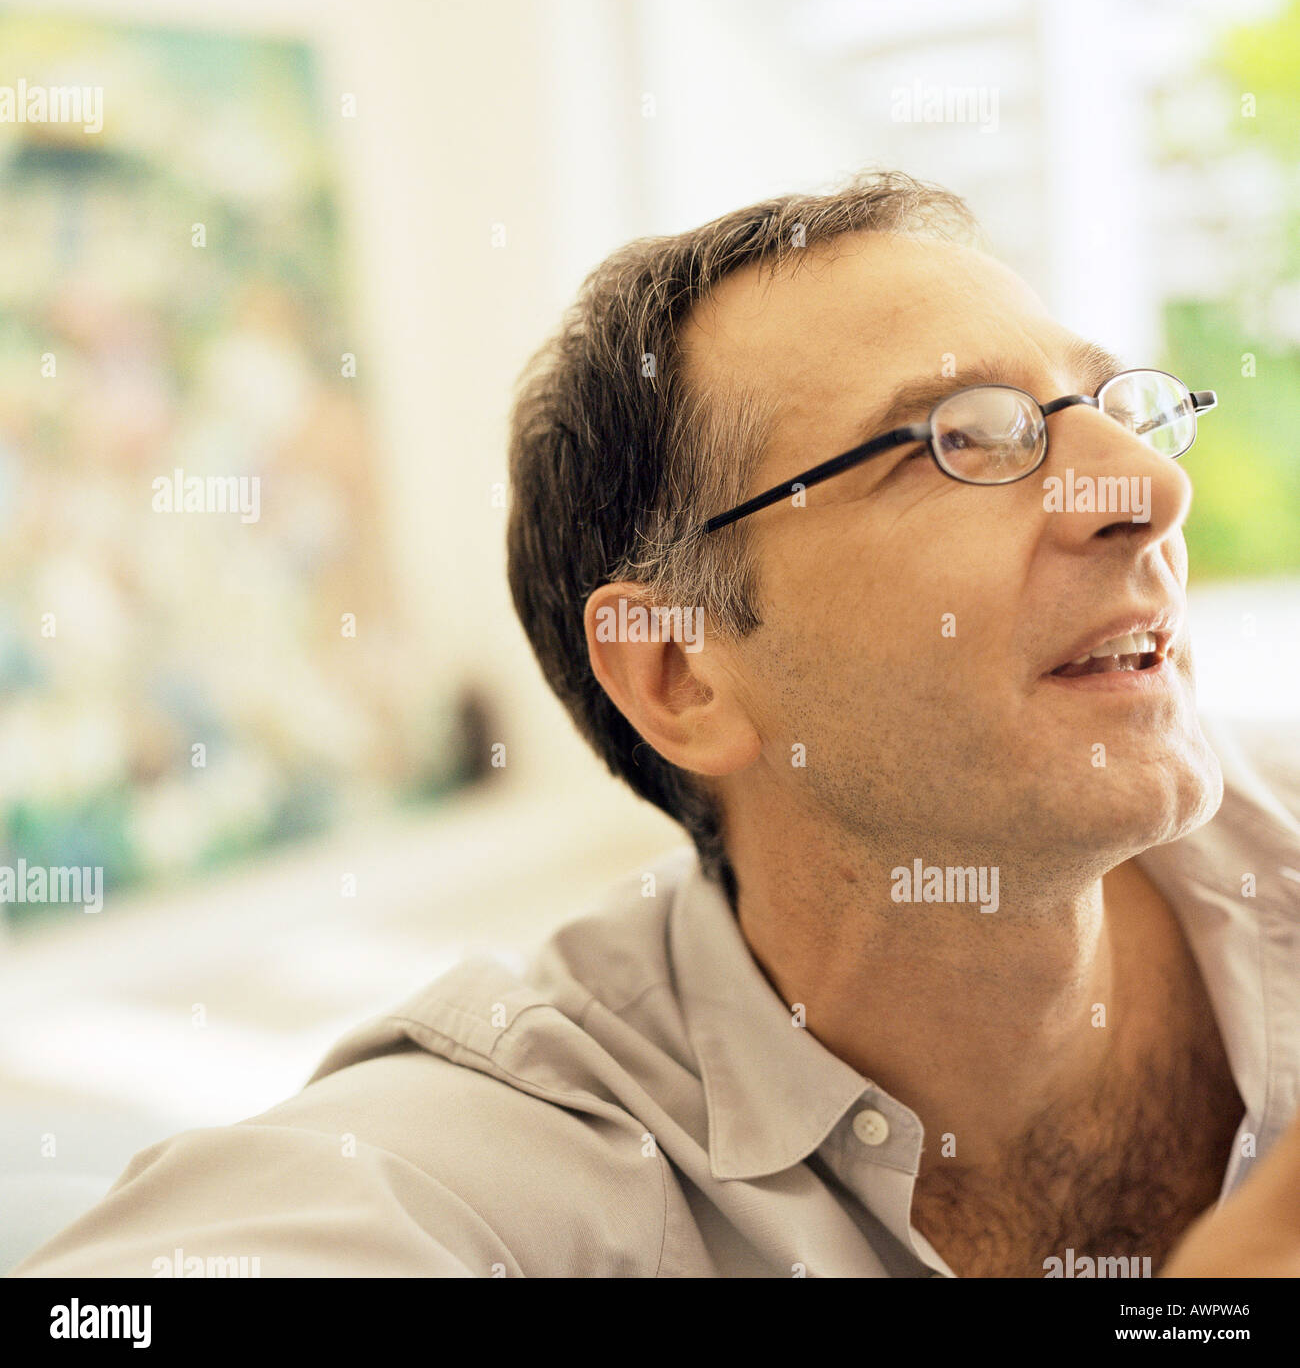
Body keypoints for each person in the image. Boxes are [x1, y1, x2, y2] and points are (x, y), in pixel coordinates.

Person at [14, 170, 1300, 1278]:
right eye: (961, 440)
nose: (1151, 487)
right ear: (679, 670)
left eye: (1111, 410)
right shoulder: (505, 1163)